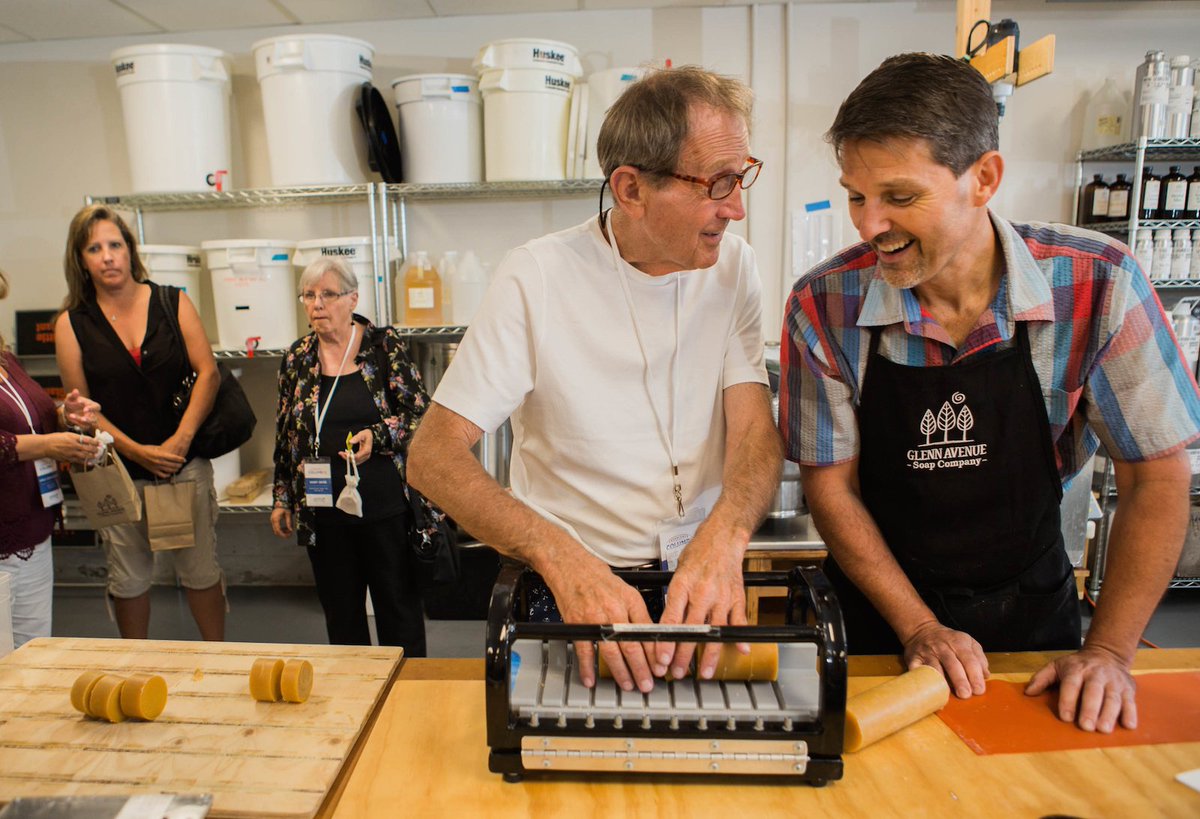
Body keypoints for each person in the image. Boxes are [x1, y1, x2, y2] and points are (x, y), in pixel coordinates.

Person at [781, 53, 1200, 734]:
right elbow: (832, 487)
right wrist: (919, 624)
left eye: (900, 196)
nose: (867, 224)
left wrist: (1109, 652)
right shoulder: (823, 304)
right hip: (880, 626)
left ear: (984, 178)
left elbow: (1155, 476)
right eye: (857, 195)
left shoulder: (1099, 286)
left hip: (1035, 626)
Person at [407, 65, 783, 693]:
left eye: (741, 175)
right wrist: (557, 555)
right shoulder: (538, 277)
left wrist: (727, 536)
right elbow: (432, 457)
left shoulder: (733, 268)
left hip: (699, 570)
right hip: (574, 583)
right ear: (631, 189)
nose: (736, 208)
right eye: (716, 183)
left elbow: (753, 431)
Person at [54, 204, 226, 641]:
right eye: (95, 248)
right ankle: (136, 666)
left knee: (200, 572)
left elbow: (208, 372)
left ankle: (223, 657)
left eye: (115, 245)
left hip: (182, 465)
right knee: (128, 580)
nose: (108, 256)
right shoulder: (71, 325)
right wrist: (136, 451)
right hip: (118, 473)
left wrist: (180, 442)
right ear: (81, 259)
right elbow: (85, 409)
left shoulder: (173, 301)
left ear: (130, 251)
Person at [271, 257, 431, 655]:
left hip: (384, 506)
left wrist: (377, 436)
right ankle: (353, 695)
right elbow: (286, 434)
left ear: (353, 298)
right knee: (341, 615)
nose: (317, 305)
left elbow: (420, 415)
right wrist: (282, 498)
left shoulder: (382, 347)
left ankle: (408, 693)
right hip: (324, 511)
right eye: (309, 295)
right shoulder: (297, 358)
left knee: (398, 609)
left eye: (328, 294)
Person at [0, 269, 102, 647]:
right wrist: (46, 446)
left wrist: (64, 414)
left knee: (32, 651)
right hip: (4, 536)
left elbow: (31, 417)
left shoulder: (6, 360)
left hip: (33, 526)